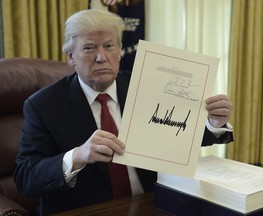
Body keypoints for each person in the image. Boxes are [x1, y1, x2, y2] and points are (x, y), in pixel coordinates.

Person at [14, 9, 233, 215]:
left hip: (150, 204)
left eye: (109, 46)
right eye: (89, 48)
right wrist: (77, 156)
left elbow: (179, 135)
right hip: (88, 210)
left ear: (119, 51)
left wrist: (213, 123)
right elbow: (26, 178)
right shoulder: (43, 105)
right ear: (70, 57)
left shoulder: (148, 86)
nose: (101, 57)